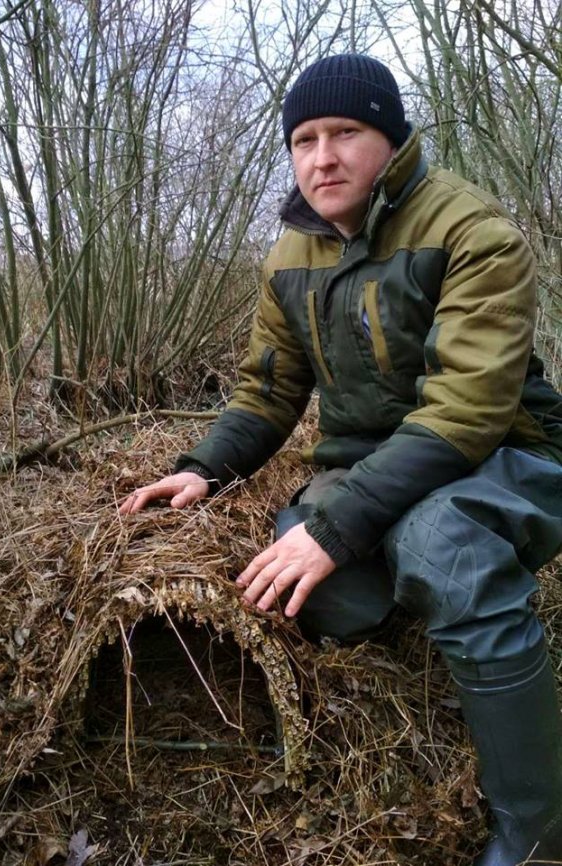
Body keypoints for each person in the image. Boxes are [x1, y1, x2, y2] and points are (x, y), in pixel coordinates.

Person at [120, 54, 562, 864]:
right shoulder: (292, 256)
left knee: (444, 550)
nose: (321, 157)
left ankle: (536, 833)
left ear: (390, 139)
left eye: (345, 133)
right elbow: (266, 393)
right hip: (372, 466)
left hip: (503, 453)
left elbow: (467, 413)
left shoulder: (473, 233)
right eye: (303, 140)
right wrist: (203, 468)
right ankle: (424, 600)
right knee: (322, 600)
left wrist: (339, 525)